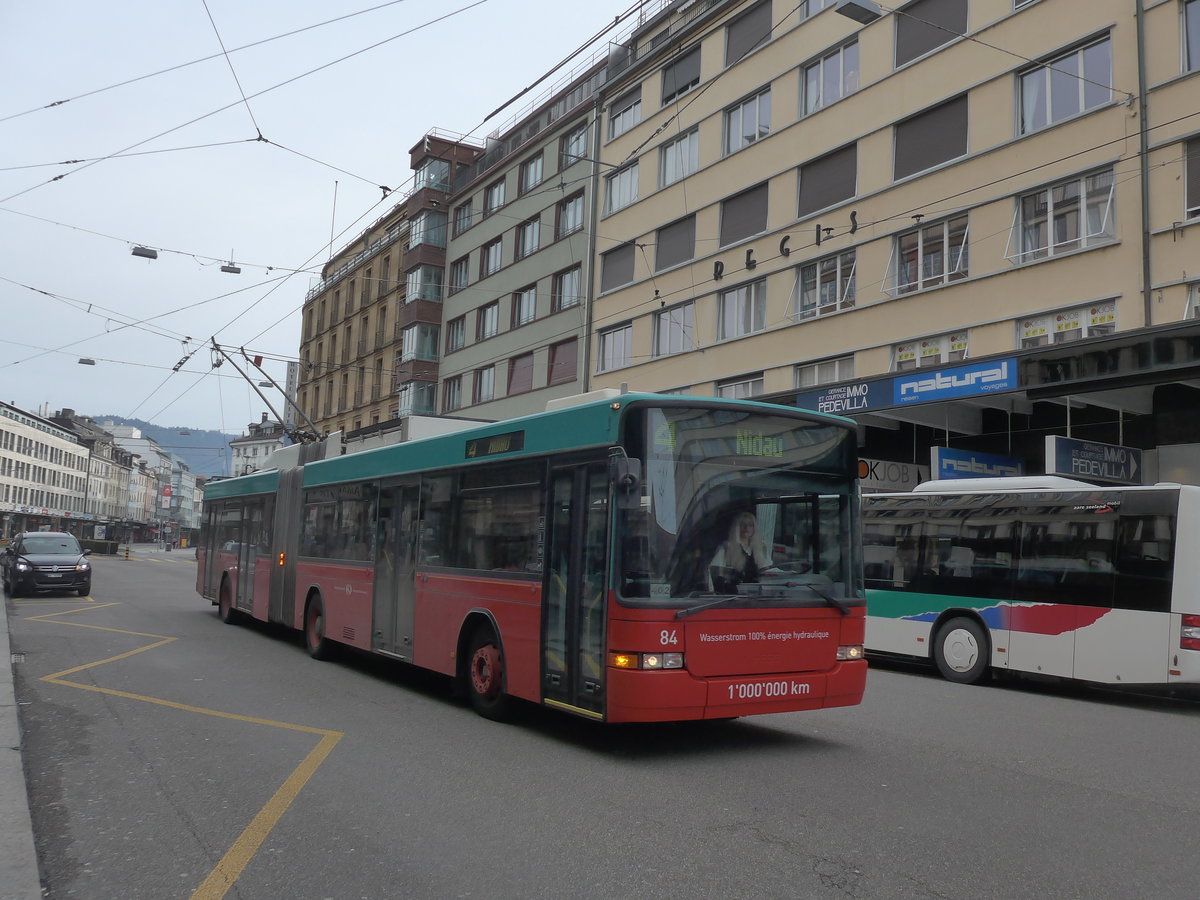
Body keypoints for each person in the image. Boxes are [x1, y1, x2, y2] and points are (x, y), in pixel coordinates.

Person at [708, 511, 775, 590]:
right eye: (743, 524)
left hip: (756, 595)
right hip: (732, 596)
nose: (746, 528)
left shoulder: (761, 547)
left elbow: (768, 572)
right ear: (737, 527)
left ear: (754, 528)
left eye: (750, 525)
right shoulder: (726, 548)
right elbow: (715, 574)